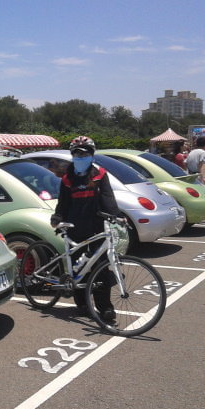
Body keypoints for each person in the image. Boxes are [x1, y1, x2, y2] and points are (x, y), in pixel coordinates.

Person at [50, 136, 121, 322]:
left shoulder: (100, 174)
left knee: (101, 268)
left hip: (96, 226)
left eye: (85, 154)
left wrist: (116, 215)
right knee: (78, 267)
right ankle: (81, 303)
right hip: (75, 227)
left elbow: (108, 197)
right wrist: (58, 218)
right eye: (77, 154)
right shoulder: (67, 178)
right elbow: (63, 203)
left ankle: (105, 308)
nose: (81, 157)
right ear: (72, 156)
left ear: (92, 155)